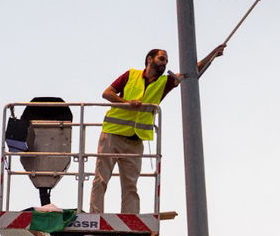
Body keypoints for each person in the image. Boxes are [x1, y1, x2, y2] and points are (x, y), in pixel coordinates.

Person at [88, 46, 221, 213]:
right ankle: (95, 215)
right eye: (161, 59)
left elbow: (190, 72)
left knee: (130, 186)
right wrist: (127, 103)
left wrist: (213, 55)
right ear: (149, 59)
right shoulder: (131, 75)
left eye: (166, 61)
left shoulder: (164, 82)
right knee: (101, 179)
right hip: (112, 134)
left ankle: (130, 221)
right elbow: (107, 93)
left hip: (135, 140)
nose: (164, 63)